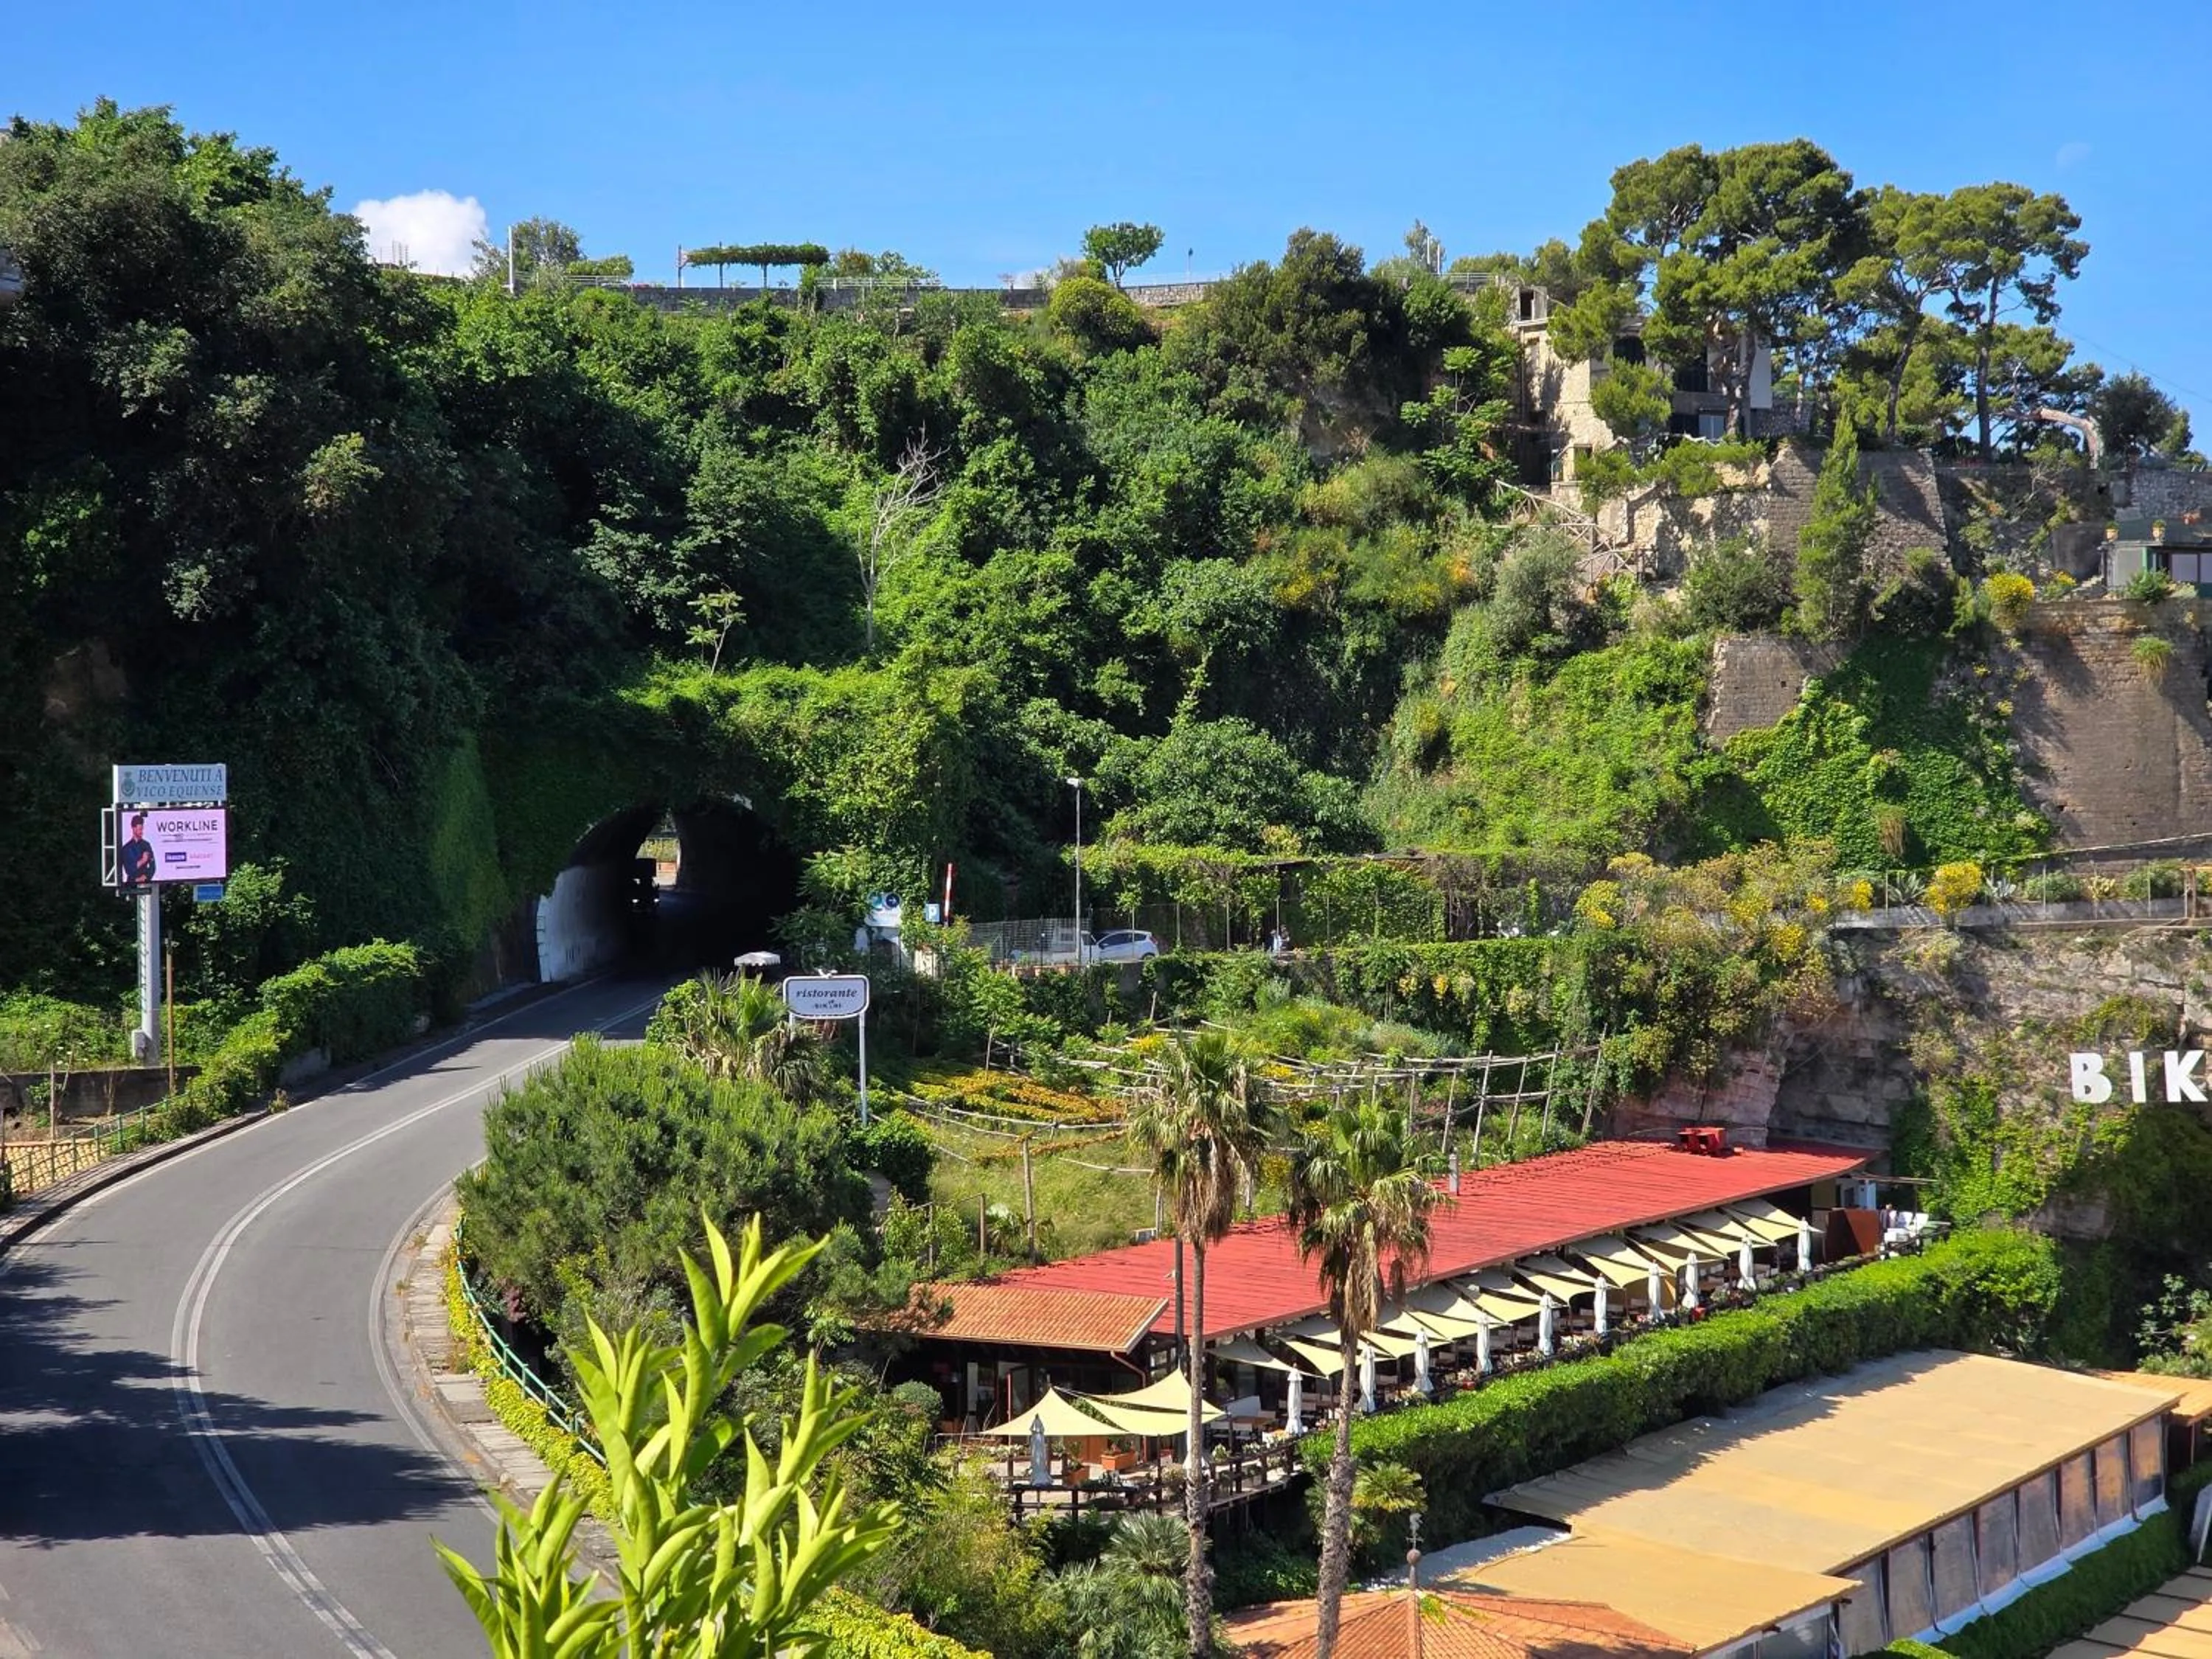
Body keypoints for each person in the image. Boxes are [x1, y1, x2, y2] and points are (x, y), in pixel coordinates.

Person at [119, 812, 156, 888]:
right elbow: (129, 870)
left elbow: (153, 866)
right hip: (131, 884)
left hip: (146, 882)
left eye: (142, 829)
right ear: (134, 828)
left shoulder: (146, 845)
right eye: (139, 829)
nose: (141, 832)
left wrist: (145, 877)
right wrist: (143, 861)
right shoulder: (126, 848)